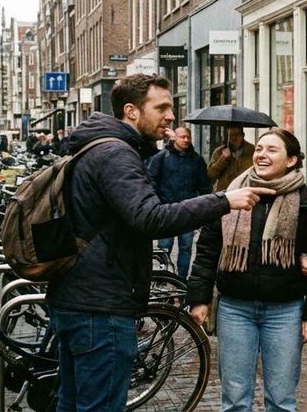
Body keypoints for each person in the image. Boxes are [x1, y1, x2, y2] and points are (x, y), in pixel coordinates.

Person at [47, 74, 273, 411]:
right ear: (131, 111)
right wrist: (224, 200)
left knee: (72, 402)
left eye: (172, 107)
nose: (171, 116)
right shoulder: (115, 154)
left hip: (77, 298)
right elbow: (149, 218)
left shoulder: (98, 146)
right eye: (162, 107)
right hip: (101, 306)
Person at [186, 127, 307, 412]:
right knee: (236, 398)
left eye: (272, 150)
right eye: (260, 149)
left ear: (291, 160)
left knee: (281, 398)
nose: (262, 155)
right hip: (234, 308)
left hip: (285, 311)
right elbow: (207, 252)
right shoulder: (230, 197)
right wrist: (199, 298)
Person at [146, 126, 211, 279]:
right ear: (174, 138)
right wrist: (156, 203)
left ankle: (180, 281)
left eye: (188, 137)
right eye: (183, 137)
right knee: (164, 249)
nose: (186, 140)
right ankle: (162, 280)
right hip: (166, 211)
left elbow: (204, 186)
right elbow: (151, 180)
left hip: (188, 212)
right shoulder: (162, 157)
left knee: (186, 248)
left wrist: (205, 210)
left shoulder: (197, 160)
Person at [207, 125, 254, 192]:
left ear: (243, 135)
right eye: (231, 135)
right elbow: (211, 174)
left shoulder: (252, 151)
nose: (234, 138)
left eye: (237, 135)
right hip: (225, 193)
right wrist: (222, 159)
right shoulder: (219, 151)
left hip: (245, 191)